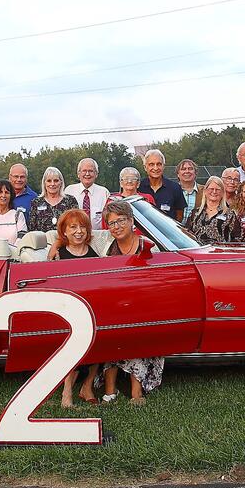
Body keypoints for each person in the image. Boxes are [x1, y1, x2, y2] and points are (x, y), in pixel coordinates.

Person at [100, 201, 163, 405]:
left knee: (137, 331)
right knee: (111, 332)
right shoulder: (107, 247)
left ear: (131, 221)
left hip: (144, 306)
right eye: (112, 223)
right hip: (116, 307)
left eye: (121, 221)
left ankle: (137, 392)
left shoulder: (147, 245)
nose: (116, 227)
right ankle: (110, 391)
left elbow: (157, 279)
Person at [53, 209, 100, 407]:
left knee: (101, 340)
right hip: (68, 311)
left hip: (92, 309)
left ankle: (87, 386)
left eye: (82, 227)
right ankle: (67, 391)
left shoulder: (95, 252)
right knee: (73, 344)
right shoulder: (58, 254)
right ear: (64, 231)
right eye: (73, 227)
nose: (79, 231)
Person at [185, 175, 240, 244]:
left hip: (220, 250)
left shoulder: (229, 214)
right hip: (198, 250)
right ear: (205, 191)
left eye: (217, 189)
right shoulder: (195, 213)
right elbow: (187, 235)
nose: (214, 192)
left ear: (222, 193)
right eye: (211, 189)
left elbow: (237, 238)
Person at [137, 149, 186, 221]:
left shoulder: (175, 188)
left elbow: (179, 215)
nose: (155, 168)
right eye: (151, 164)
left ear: (163, 166)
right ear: (145, 167)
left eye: (159, 164)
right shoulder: (138, 187)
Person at [29, 166, 78, 233]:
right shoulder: (36, 202)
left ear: (61, 182)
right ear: (44, 183)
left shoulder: (70, 201)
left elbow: (76, 224)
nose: (52, 184)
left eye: (56, 181)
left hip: (65, 238)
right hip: (42, 239)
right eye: (49, 181)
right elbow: (32, 228)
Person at [64, 158, 109, 229]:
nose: (87, 174)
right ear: (78, 174)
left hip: (98, 234)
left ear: (96, 174)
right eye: (84, 171)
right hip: (75, 234)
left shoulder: (104, 193)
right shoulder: (69, 191)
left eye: (91, 171)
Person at [175, 159, 201, 224]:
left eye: (190, 169)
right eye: (183, 169)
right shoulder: (171, 190)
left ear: (195, 173)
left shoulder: (205, 191)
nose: (187, 171)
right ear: (178, 174)